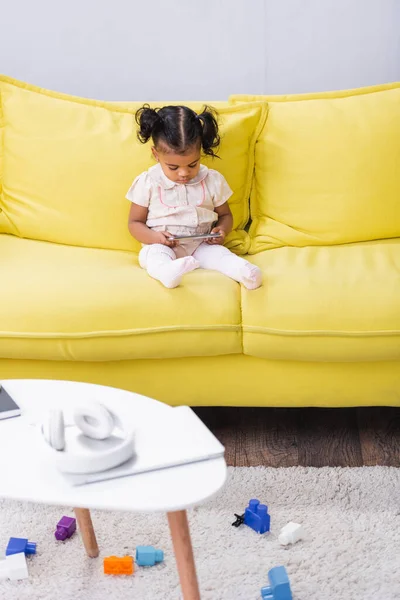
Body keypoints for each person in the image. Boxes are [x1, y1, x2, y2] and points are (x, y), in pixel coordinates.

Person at [126, 104, 262, 289]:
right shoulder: (148, 182)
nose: (184, 173)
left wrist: (221, 231)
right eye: (173, 167)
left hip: (201, 245)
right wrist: (156, 237)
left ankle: (245, 272)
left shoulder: (212, 180)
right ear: (156, 154)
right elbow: (134, 223)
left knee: (221, 255)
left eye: (193, 164)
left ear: (200, 152)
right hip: (163, 246)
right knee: (153, 257)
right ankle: (167, 272)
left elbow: (226, 216)